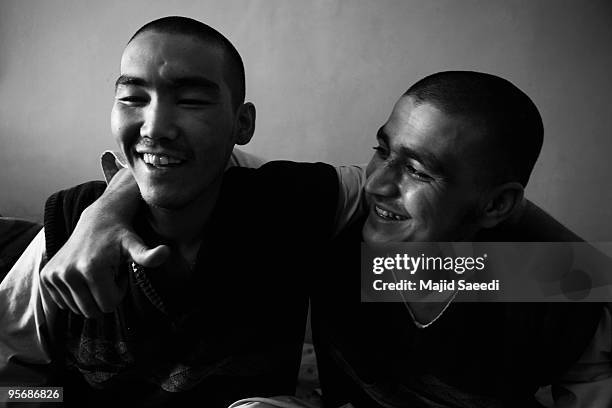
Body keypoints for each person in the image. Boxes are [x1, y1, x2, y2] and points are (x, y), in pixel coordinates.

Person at [32, 71, 612, 407]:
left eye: (418, 169)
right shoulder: (337, 223)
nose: (379, 180)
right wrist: (102, 214)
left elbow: (585, 278)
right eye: (383, 148)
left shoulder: (536, 294)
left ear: (498, 204)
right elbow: (192, 162)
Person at [0, 16, 361, 407]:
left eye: (190, 100)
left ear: (242, 123)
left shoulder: (286, 207)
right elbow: (10, 383)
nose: (154, 128)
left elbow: (400, 196)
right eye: (133, 99)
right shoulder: (67, 232)